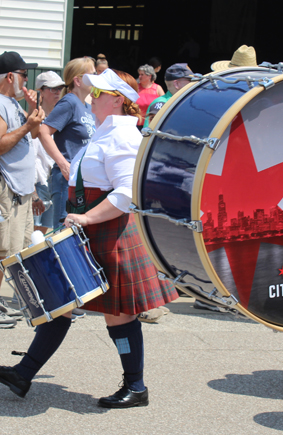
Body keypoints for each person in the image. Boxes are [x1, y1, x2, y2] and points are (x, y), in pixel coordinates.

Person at [0, 68, 179, 408]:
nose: (90, 97)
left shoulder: (124, 137)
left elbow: (126, 194)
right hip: (90, 230)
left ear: (116, 100)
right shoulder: (104, 132)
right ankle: (23, 373)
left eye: (98, 94)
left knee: (120, 315)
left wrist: (85, 217)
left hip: (110, 231)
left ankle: (136, 386)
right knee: (63, 302)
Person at [0, 51, 43, 326]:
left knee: (18, 250)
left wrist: (32, 116)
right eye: (25, 75)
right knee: (2, 250)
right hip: (8, 190)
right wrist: (28, 124)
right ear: (11, 77)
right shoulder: (1, 104)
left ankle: (8, 303)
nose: (27, 80)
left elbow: (35, 134)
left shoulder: (14, 104)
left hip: (23, 190)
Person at [38, 57, 96, 228]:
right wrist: (63, 164)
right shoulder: (69, 102)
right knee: (64, 233)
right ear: (77, 81)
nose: (95, 79)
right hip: (67, 180)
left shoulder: (86, 105)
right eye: (91, 75)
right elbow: (44, 131)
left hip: (80, 180)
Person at [32, 71, 65, 233]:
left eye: (60, 88)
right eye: (53, 88)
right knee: (32, 235)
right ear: (41, 91)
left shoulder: (63, 118)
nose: (58, 92)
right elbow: (31, 158)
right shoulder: (34, 118)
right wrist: (34, 192)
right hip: (39, 185)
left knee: (46, 232)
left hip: (55, 182)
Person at [143, 63, 194, 129]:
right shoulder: (162, 104)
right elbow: (150, 133)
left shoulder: (183, 102)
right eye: (190, 80)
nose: (193, 84)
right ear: (176, 84)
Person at [136, 64, 164, 130]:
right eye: (139, 74)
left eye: (142, 74)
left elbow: (165, 104)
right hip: (137, 124)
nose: (139, 76)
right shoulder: (135, 88)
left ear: (149, 76)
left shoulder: (157, 88)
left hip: (152, 124)